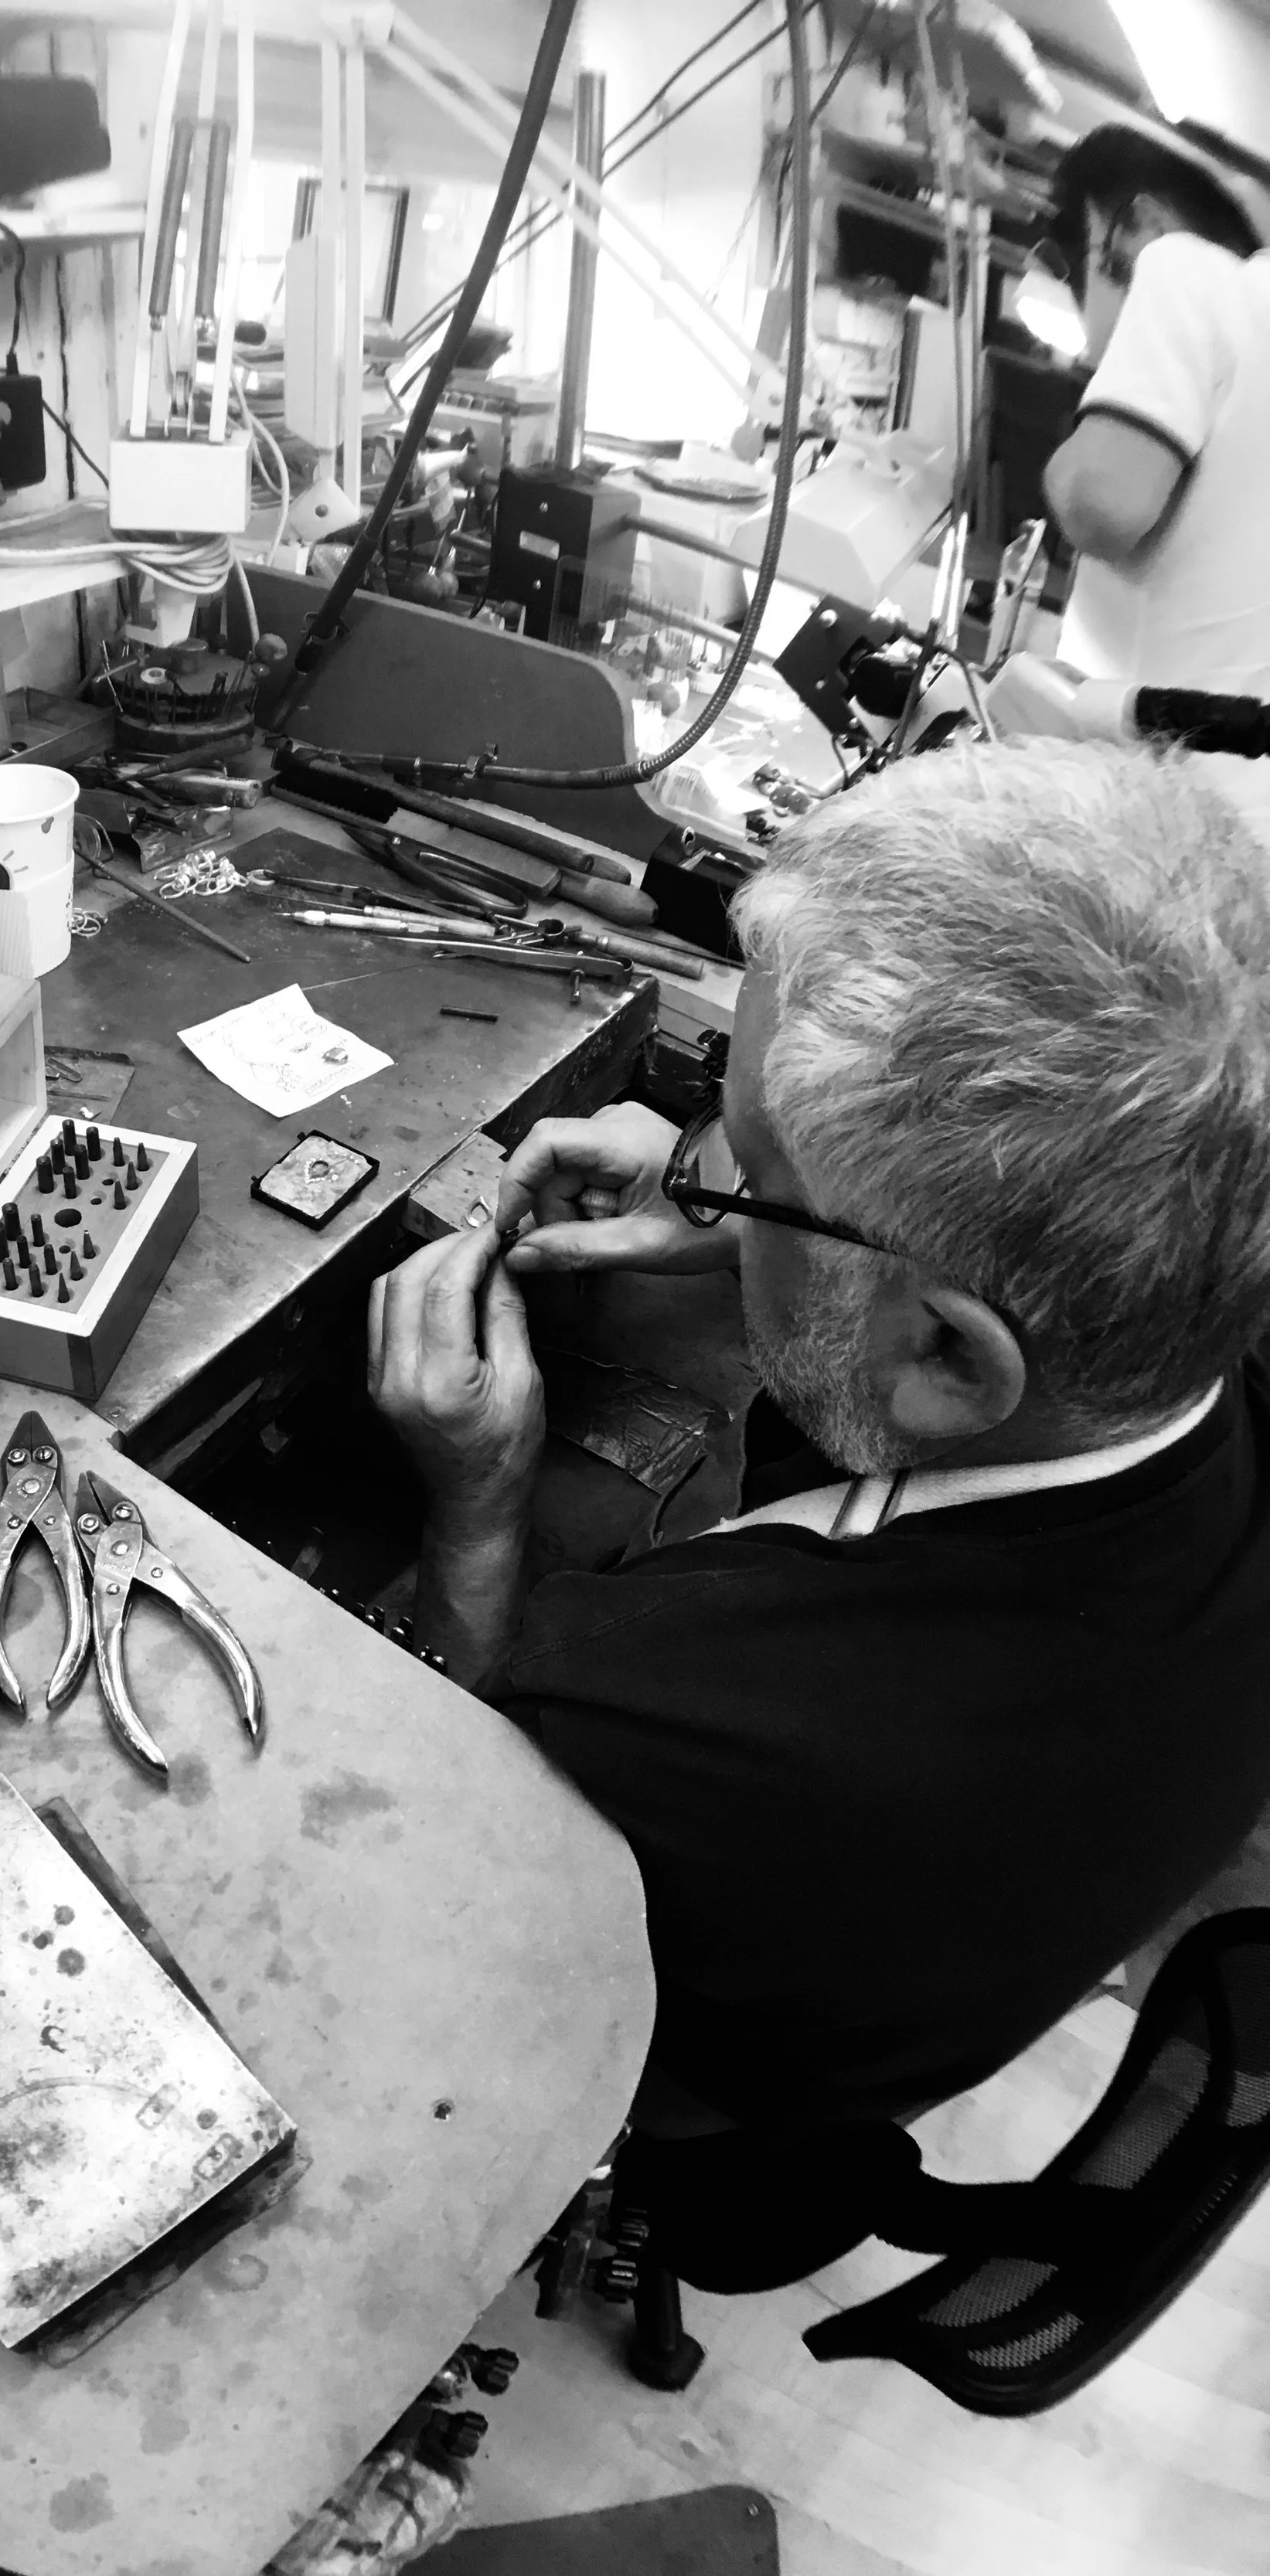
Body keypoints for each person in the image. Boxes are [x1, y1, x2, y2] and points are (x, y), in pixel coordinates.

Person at [369, 742, 1270, 2139]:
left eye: (750, 1162)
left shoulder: (701, 1714)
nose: (704, 1174)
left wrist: (476, 1511)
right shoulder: (1201, 1323)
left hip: (697, 2109)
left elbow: (442, 1861)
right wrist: (764, 1220)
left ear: (951, 1355)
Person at [1041, 125, 1270, 696]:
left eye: (1084, 260)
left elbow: (1101, 501)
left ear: (1140, 226)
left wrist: (1060, 468)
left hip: (1145, 768)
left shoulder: (1186, 267)